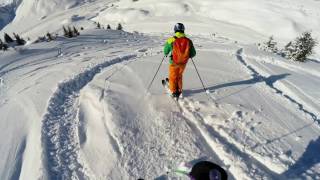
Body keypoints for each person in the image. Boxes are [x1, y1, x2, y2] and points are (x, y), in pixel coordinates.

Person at [164, 23, 196, 98]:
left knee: (172, 76)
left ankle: (174, 91)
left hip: (174, 62)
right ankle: (179, 89)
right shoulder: (188, 40)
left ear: (175, 30)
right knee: (179, 75)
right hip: (183, 63)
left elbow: (165, 50)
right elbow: (193, 53)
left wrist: (166, 53)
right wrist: (188, 55)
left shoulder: (171, 40)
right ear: (183, 30)